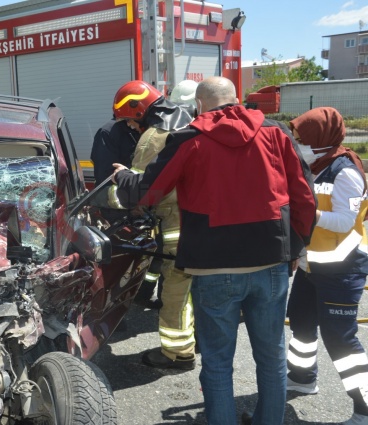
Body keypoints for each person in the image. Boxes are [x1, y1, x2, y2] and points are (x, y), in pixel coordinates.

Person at [112, 76, 317, 424]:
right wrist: (295, 248)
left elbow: (147, 192)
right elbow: (305, 198)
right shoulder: (275, 132)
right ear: (237, 100)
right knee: (271, 357)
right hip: (271, 261)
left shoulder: (189, 139)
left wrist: (122, 177)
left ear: (199, 107)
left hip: (213, 267)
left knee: (219, 361)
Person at [286, 107, 368, 425]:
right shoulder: (315, 167)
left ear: (321, 140)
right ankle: (302, 379)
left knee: (341, 339)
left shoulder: (345, 171)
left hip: (341, 270)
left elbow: (345, 221)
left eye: (302, 139)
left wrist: (306, 213)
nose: (297, 144)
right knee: (302, 326)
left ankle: (363, 407)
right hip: (313, 266)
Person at [111, 79, 198, 370]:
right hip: (202, 224)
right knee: (197, 292)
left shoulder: (153, 137)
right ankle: (197, 342)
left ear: (138, 110)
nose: (131, 128)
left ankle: (177, 354)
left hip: (174, 228)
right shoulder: (191, 124)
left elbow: (139, 192)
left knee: (175, 292)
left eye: (129, 122)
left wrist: (119, 182)